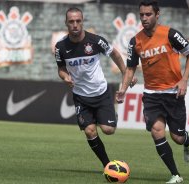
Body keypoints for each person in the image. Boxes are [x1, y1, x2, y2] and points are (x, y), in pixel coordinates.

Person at [116, 0, 189, 183]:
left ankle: (187, 140)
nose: (144, 18)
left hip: (173, 93)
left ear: (157, 14)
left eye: (148, 14)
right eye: (141, 15)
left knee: (177, 137)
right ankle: (175, 175)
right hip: (151, 95)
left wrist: (184, 80)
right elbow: (130, 68)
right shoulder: (135, 41)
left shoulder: (170, 34)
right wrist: (123, 89)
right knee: (157, 131)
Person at [54, 7, 137, 169]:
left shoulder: (96, 41)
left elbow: (116, 54)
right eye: (71, 21)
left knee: (108, 130)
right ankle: (108, 166)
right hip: (80, 96)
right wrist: (65, 77)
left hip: (101, 93)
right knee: (90, 131)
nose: (75, 25)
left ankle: (109, 117)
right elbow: (61, 68)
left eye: (78, 21)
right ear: (66, 23)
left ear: (82, 21)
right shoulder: (60, 47)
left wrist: (125, 73)